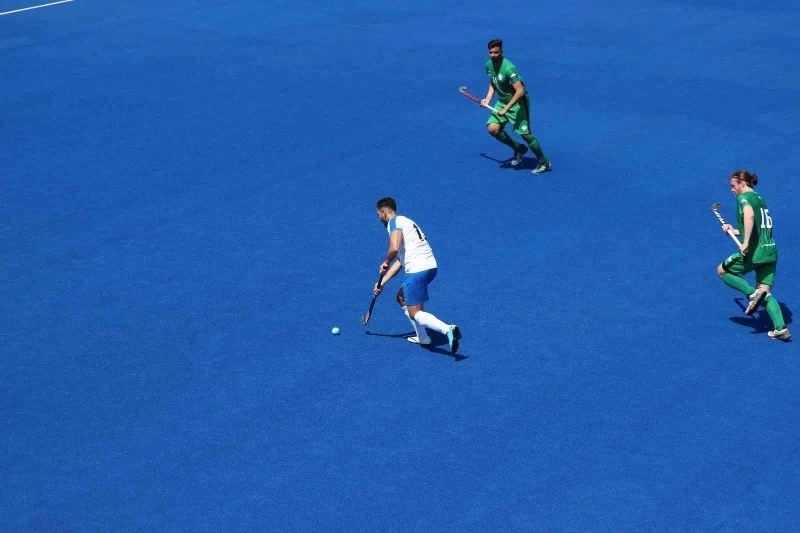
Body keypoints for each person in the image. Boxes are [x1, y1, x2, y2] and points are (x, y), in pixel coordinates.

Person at [372, 197, 462, 353]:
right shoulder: (406, 222)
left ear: (384, 212)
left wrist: (385, 262)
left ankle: (447, 329)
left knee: (415, 313)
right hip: (430, 268)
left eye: (378, 214)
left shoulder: (394, 223)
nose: (379, 218)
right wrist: (381, 282)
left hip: (416, 270)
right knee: (401, 297)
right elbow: (400, 261)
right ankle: (423, 337)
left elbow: (394, 248)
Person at [716, 170, 790, 340]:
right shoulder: (759, 198)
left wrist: (746, 242)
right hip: (770, 251)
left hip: (756, 253)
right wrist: (734, 230)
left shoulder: (744, 198)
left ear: (742, 184)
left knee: (722, 271)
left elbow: (748, 216)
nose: (732, 190)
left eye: (733, 186)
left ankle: (751, 294)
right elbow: (757, 225)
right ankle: (780, 328)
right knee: (764, 292)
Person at [481, 38, 551, 174]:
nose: (493, 55)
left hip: (518, 103)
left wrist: (506, 108)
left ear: (502, 52)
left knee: (526, 135)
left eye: (496, 52)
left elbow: (520, 91)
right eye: (491, 52)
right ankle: (519, 149)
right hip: (502, 101)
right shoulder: (488, 65)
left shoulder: (509, 68)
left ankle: (544, 162)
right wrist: (488, 99)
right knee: (493, 129)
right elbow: (493, 82)